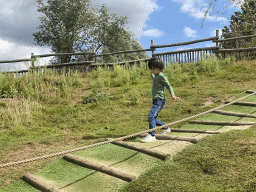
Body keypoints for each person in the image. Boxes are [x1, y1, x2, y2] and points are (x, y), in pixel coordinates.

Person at [141, 57, 180, 143]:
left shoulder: (161, 76)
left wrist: (172, 95)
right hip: (156, 100)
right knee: (153, 117)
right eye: (150, 68)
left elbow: (168, 85)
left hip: (160, 100)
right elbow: (154, 78)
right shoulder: (156, 76)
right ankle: (165, 128)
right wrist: (151, 73)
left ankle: (152, 135)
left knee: (151, 116)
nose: (151, 70)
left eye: (152, 69)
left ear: (158, 68)